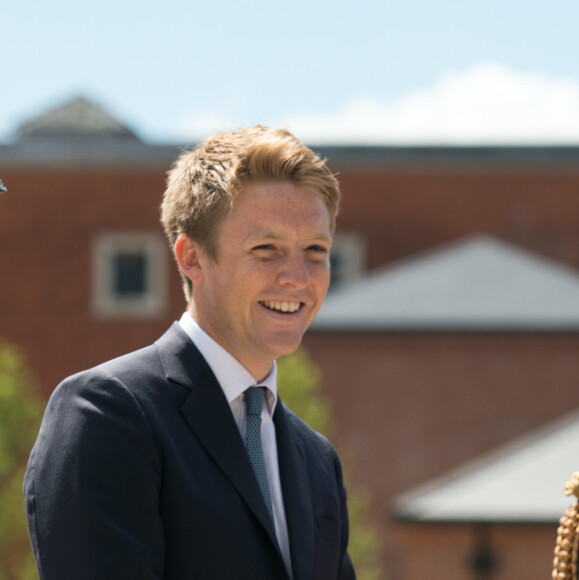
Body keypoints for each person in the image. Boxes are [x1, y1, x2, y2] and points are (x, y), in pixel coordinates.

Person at [24, 126, 356, 580]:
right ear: (192, 258)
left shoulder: (316, 459)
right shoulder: (106, 413)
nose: (298, 276)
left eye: (315, 250)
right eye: (266, 249)